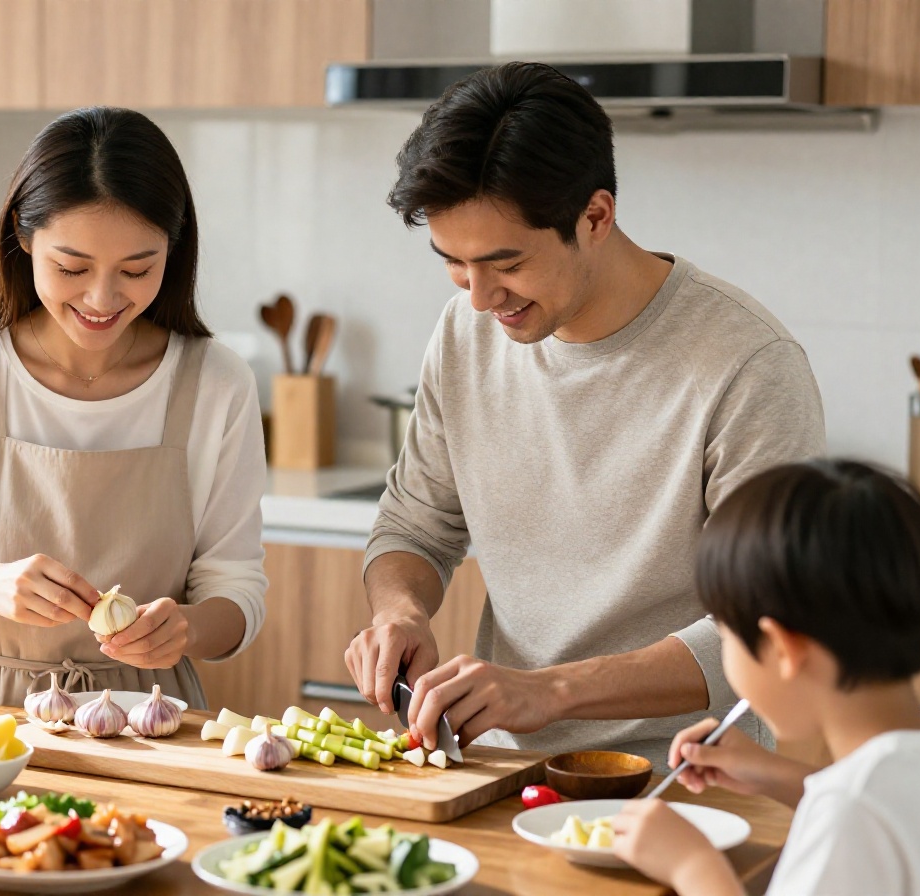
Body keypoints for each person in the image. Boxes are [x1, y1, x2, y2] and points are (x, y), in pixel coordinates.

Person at [346, 61, 826, 764]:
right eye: (454, 262)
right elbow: (414, 526)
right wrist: (401, 611)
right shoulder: (465, 333)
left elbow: (767, 628)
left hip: (687, 779)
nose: (479, 298)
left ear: (595, 217)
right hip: (499, 767)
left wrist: (552, 692)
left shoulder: (748, 366)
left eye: (505, 263)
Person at [0, 106, 267, 708]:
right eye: (71, 267)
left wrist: (187, 628)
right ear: (24, 238)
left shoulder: (216, 383)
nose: (102, 298)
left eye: (137, 269)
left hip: (147, 720)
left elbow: (238, 593)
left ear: (174, 250)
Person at [613, 460, 920, 895]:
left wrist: (693, 867)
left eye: (725, 632)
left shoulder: (849, 813)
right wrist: (775, 774)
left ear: (781, 648)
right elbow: (902, 812)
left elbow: (859, 814)